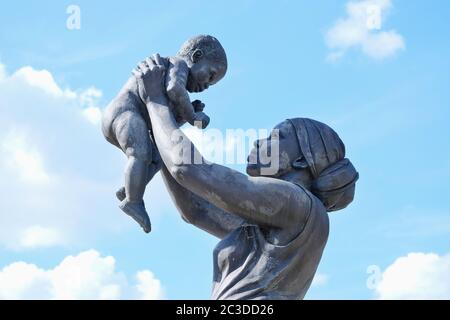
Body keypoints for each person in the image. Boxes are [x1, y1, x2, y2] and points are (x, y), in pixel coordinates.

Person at [135, 56, 359, 299]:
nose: (258, 142)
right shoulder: (276, 219)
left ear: (302, 161)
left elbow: (188, 169)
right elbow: (196, 209)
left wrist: (156, 102)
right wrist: (158, 126)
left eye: (277, 137)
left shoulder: (297, 202)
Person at [101, 35, 227, 233]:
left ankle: (132, 187)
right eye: (210, 76)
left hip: (131, 117)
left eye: (211, 85)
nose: (206, 86)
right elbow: (175, 89)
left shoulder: (168, 72)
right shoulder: (177, 64)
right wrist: (193, 115)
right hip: (125, 113)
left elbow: (164, 116)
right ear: (196, 56)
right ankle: (133, 201)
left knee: (156, 156)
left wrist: (184, 112)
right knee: (140, 154)